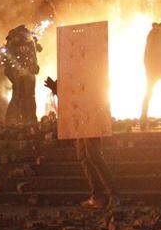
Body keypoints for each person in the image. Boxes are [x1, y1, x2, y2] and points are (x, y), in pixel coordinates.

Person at [44, 76, 118, 209]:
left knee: (93, 156)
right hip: (81, 117)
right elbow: (73, 94)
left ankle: (114, 195)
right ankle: (98, 196)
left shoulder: (89, 71)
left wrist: (59, 89)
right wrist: (58, 89)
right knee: (84, 156)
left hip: (91, 115)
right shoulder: (76, 69)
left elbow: (81, 92)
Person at [4, 25, 40, 124]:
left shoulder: (14, 43)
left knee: (20, 95)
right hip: (23, 73)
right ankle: (27, 119)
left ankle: (16, 119)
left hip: (22, 72)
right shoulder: (27, 42)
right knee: (25, 95)